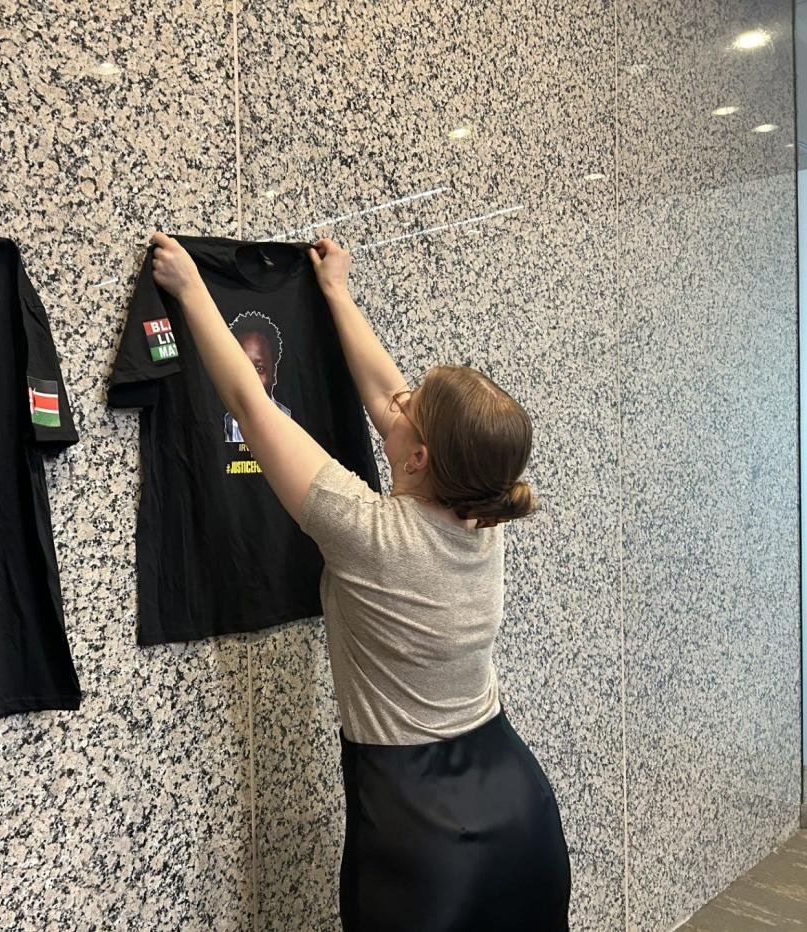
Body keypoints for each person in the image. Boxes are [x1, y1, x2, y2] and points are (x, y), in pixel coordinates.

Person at [148, 232, 571, 931]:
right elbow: (384, 393)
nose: (394, 403)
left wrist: (193, 291)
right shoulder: (482, 508)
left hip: (422, 834)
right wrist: (338, 291)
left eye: (410, 409)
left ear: (418, 458)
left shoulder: (367, 532)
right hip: (518, 806)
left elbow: (253, 409)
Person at [223, 311, 291, 442]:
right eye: (243, 367)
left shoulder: (288, 421)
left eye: (259, 369)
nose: (250, 379)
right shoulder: (226, 424)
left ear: (274, 374)